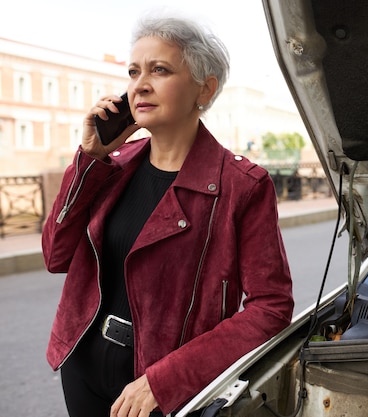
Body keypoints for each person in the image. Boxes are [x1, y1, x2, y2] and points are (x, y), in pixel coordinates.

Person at [42, 11, 294, 417]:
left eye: (159, 70)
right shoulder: (112, 165)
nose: (139, 85)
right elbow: (55, 256)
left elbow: (271, 308)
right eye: (133, 71)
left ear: (205, 90)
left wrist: (168, 380)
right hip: (83, 364)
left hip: (162, 390)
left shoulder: (242, 185)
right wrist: (90, 158)